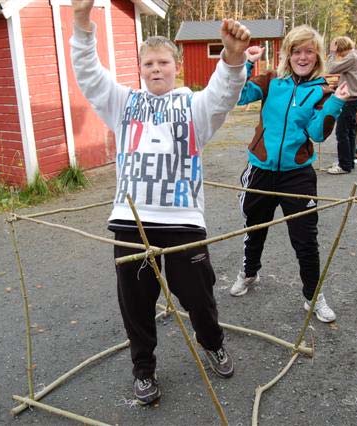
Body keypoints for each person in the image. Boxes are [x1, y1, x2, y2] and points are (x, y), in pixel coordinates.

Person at [70, 0, 250, 406]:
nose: (156, 69)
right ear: (140, 69)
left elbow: (223, 95)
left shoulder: (194, 107)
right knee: (135, 303)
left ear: (176, 67)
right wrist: (82, 23)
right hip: (131, 222)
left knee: (199, 297)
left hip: (183, 221)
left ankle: (213, 343)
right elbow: (89, 75)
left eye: (163, 63)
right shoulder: (123, 104)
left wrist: (233, 59)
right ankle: (144, 370)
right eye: (149, 63)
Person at [229, 26, 350, 324]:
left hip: (297, 175)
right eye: (297, 51)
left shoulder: (322, 90)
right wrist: (245, 63)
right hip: (260, 169)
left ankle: (313, 295)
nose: (303, 56)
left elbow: (316, 133)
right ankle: (249, 272)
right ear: (288, 54)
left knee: (305, 239)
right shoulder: (272, 81)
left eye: (309, 51)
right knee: (254, 227)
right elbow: (238, 96)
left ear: (318, 55)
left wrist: (335, 103)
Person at [325, 36, 357, 174]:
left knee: (341, 132)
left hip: (349, 99)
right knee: (350, 132)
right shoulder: (355, 56)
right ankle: (349, 161)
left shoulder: (351, 57)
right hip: (354, 97)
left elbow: (330, 68)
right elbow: (350, 77)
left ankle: (344, 165)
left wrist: (332, 52)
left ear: (340, 47)